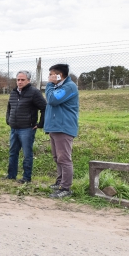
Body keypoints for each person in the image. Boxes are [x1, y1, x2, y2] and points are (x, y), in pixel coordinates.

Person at [43, 64, 79, 198]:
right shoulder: (58, 87)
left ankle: (65, 188)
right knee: (57, 158)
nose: (49, 77)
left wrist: (49, 85)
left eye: (51, 74)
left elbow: (52, 100)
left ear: (59, 75)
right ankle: (59, 182)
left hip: (64, 128)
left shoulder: (69, 87)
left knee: (64, 159)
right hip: (55, 128)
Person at [5, 70, 47, 184]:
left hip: (27, 129)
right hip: (14, 128)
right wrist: (8, 120)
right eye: (18, 80)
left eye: (22, 80)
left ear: (28, 80)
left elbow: (44, 107)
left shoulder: (34, 92)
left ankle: (26, 178)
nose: (19, 82)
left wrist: (40, 124)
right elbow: (9, 107)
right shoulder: (13, 92)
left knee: (27, 154)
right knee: (13, 152)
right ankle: (11, 175)